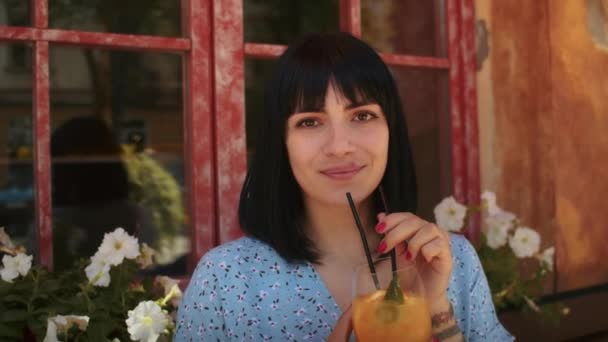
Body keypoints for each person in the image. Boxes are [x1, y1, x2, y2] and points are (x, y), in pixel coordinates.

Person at [175, 32, 513, 341]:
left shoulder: (451, 261)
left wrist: (437, 307)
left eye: (362, 115)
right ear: (282, 144)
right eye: (309, 122)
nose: (340, 146)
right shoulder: (226, 280)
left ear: (391, 130)